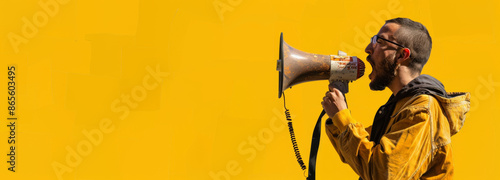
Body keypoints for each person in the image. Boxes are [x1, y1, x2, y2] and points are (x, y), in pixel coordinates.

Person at [321, 17, 470, 179]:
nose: (368, 48)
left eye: (380, 41)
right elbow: (361, 156)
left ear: (401, 55)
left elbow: (383, 173)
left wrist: (342, 116)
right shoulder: (401, 107)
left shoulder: (422, 110)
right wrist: (337, 117)